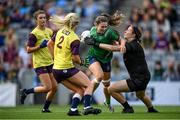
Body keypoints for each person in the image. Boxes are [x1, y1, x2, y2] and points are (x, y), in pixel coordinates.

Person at [85, 25, 158, 113]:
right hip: (144, 76)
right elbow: (118, 45)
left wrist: (95, 43)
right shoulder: (133, 44)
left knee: (111, 89)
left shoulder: (133, 45)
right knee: (140, 95)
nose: (125, 31)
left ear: (134, 35)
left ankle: (127, 108)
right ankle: (151, 109)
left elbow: (113, 48)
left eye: (128, 30)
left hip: (138, 78)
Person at [47, 12, 101, 116]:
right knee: (89, 85)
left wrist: (54, 57)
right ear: (76, 24)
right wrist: (84, 62)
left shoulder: (60, 31)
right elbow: (75, 58)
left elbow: (49, 44)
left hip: (56, 70)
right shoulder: (74, 38)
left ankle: (73, 110)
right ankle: (87, 107)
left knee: (79, 90)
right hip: (66, 68)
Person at [84, 11, 133, 113]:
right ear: (96, 25)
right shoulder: (91, 31)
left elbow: (121, 40)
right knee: (99, 76)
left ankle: (108, 102)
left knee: (107, 85)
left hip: (106, 60)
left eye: (106, 26)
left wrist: (122, 45)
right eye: (102, 27)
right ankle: (86, 101)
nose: (104, 29)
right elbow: (85, 38)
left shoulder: (110, 32)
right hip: (93, 57)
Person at [20, 10, 58, 113]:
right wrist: (39, 46)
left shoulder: (49, 31)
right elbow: (28, 49)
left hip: (50, 62)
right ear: (36, 20)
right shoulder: (34, 33)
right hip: (40, 63)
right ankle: (26, 92)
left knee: (54, 88)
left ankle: (45, 108)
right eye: (40, 18)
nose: (43, 20)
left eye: (44, 17)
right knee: (47, 87)